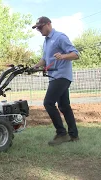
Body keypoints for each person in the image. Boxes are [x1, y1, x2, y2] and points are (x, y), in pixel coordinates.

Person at [32, 16, 80, 146]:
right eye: (37, 28)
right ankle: (74, 135)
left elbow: (76, 54)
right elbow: (44, 59)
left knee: (48, 103)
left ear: (48, 24)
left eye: (40, 27)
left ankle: (61, 133)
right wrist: (34, 67)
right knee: (64, 106)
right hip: (54, 77)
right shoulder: (46, 41)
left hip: (62, 76)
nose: (39, 30)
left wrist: (63, 55)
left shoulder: (60, 37)